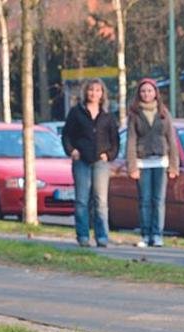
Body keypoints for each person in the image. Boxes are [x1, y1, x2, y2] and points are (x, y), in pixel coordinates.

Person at [62, 79, 119, 248]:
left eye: (98, 90)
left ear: (103, 94)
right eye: (91, 90)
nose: (94, 93)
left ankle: (102, 237)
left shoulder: (108, 116)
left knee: (101, 200)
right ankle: (83, 236)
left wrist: (109, 155)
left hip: (100, 163)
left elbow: (115, 140)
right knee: (81, 200)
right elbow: (66, 135)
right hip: (81, 161)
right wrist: (71, 150)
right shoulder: (76, 113)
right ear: (86, 92)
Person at [125, 78, 178, 248]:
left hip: (161, 162)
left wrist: (173, 165)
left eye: (149, 91)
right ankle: (145, 234)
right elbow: (131, 141)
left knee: (159, 200)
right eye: (143, 91)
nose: (146, 94)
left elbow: (171, 139)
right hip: (143, 162)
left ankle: (157, 234)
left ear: (155, 93)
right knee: (145, 200)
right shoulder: (134, 114)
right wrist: (132, 166)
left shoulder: (163, 113)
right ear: (139, 94)